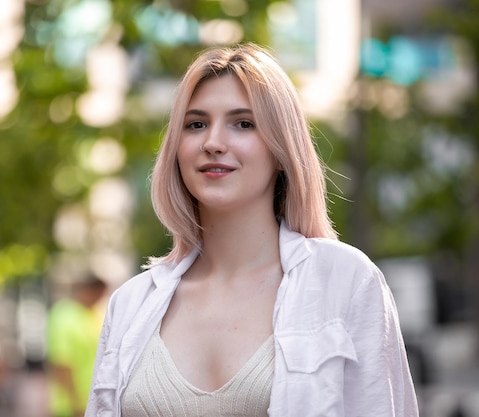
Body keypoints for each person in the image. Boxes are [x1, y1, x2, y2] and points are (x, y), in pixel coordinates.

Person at [85, 43, 419, 416]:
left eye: (243, 123)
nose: (213, 143)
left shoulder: (346, 282)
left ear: (281, 148)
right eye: (196, 124)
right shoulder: (131, 304)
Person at [47, 274, 107, 417]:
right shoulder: (63, 315)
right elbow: (61, 364)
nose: (99, 300)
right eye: (98, 295)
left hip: (96, 404)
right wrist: (76, 404)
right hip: (70, 407)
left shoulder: (97, 314)